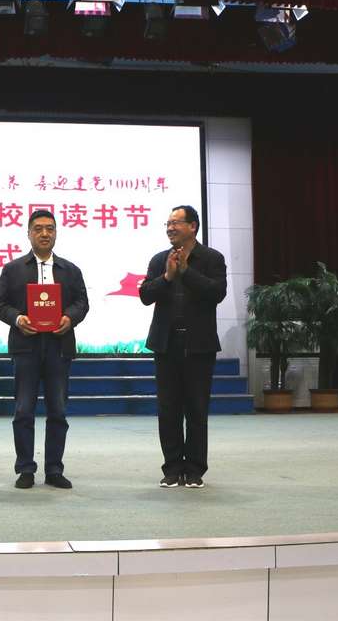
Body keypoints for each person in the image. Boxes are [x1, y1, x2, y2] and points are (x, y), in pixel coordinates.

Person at [0, 210, 89, 489]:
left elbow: (82, 303)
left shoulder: (70, 270)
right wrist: (17, 319)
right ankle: (25, 469)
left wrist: (69, 317)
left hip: (59, 346)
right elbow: (1, 305)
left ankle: (54, 469)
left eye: (50, 228)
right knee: (24, 410)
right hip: (26, 347)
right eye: (38, 229)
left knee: (58, 410)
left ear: (56, 233)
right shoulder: (13, 269)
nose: (44, 233)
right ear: (28, 233)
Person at [140, 205, 227, 489]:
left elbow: (217, 293)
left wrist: (186, 272)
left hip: (199, 346)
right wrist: (167, 276)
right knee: (168, 410)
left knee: (197, 410)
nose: (170, 228)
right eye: (167, 223)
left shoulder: (212, 258)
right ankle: (172, 468)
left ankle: (195, 470)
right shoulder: (159, 259)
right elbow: (145, 295)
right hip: (166, 345)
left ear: (193, 226)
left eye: (176, 223)